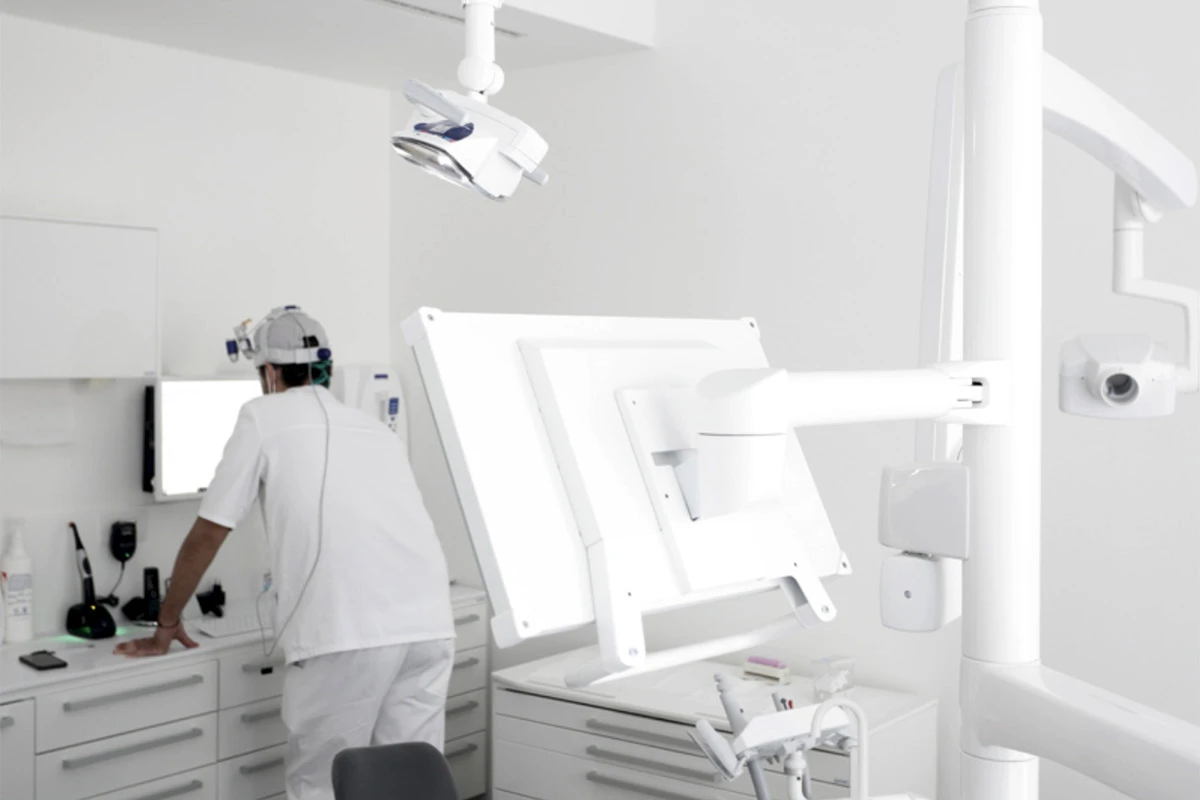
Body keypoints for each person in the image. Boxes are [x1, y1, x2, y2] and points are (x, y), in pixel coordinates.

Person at [115, 306, 455, 800]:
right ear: (324, 368)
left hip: (347, 632)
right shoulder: (374, 428)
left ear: (270, 373)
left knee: (321, 783)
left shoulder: (261, 415)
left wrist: (165, 623)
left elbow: (209, 532)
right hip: (428, 625)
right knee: (407, 785)